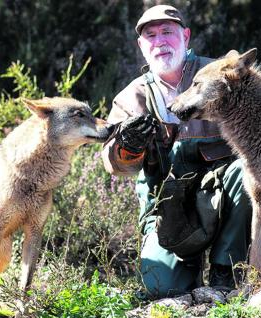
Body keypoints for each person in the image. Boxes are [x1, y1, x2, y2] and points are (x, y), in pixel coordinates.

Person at [101, 4, 251, 298]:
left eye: (167, 32)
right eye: (151, 36)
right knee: (163, 289)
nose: (160, 42)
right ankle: (186, 271)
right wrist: (128, 148)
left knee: (249, 170)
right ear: (141, 47)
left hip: (226, 201)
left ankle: (226, 272)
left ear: (185, 36)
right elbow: (114, 165)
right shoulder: (131, 98)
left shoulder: (221, 76)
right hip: (167, 208)